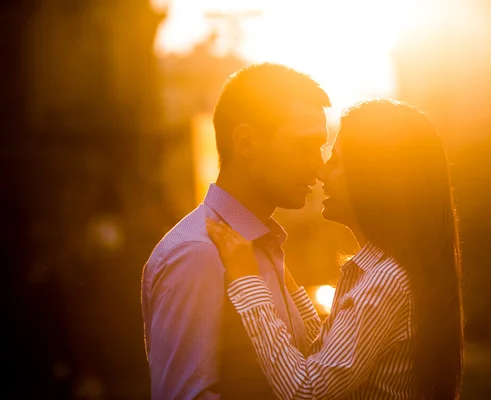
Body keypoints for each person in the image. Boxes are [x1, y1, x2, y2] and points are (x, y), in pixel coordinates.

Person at [206, 99, 464, 399]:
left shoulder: (385, 282)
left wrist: (247, 281)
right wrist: (287, 283)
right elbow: (336, 358)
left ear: (373, 176)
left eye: (336, 161)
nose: (321, 173)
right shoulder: (377, 272)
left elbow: (308, 390)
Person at [141, 63, 331, 399]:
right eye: (304, 146)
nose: (318, 165)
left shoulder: (262, 248)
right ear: (245, 142)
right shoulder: (196, 253)